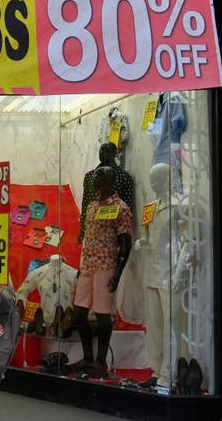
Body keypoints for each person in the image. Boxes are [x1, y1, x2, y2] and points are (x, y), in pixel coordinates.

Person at [73, 166, 132, 379]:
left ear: (111, 180)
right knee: (79, 313)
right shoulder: (91, 206)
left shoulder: (121, 208)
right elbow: (89, 237)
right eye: (96, 174)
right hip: (88, 265)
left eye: (101, 174)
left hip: (106, 265)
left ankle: (100, 362)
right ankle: (87, 358)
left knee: (102, 314)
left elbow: (126, 243)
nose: (96, 176)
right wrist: (82, 265)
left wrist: (118, 273)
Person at [135, 163, 184, 389]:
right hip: (152, 271)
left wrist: (181, 272)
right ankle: (156, 370)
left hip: (170, 273)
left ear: (168, 179)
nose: (154, 185)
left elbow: (187, 242)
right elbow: (146, 235)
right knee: (153, 325)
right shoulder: (150, 208)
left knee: (169, 327)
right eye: (152, 180)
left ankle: (169, 373)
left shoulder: (178, 206)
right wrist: (142, 241)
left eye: (158, 180)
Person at [79, 142, 133, 243]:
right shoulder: (90, 176)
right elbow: (85, 203)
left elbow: (128, 207)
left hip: (111, 234)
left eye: (107, 151)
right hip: (92, 230)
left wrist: (123, 236)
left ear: (114, 154)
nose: (103, 153)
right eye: (101, 150)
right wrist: (82, 229)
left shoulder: (124, 177)